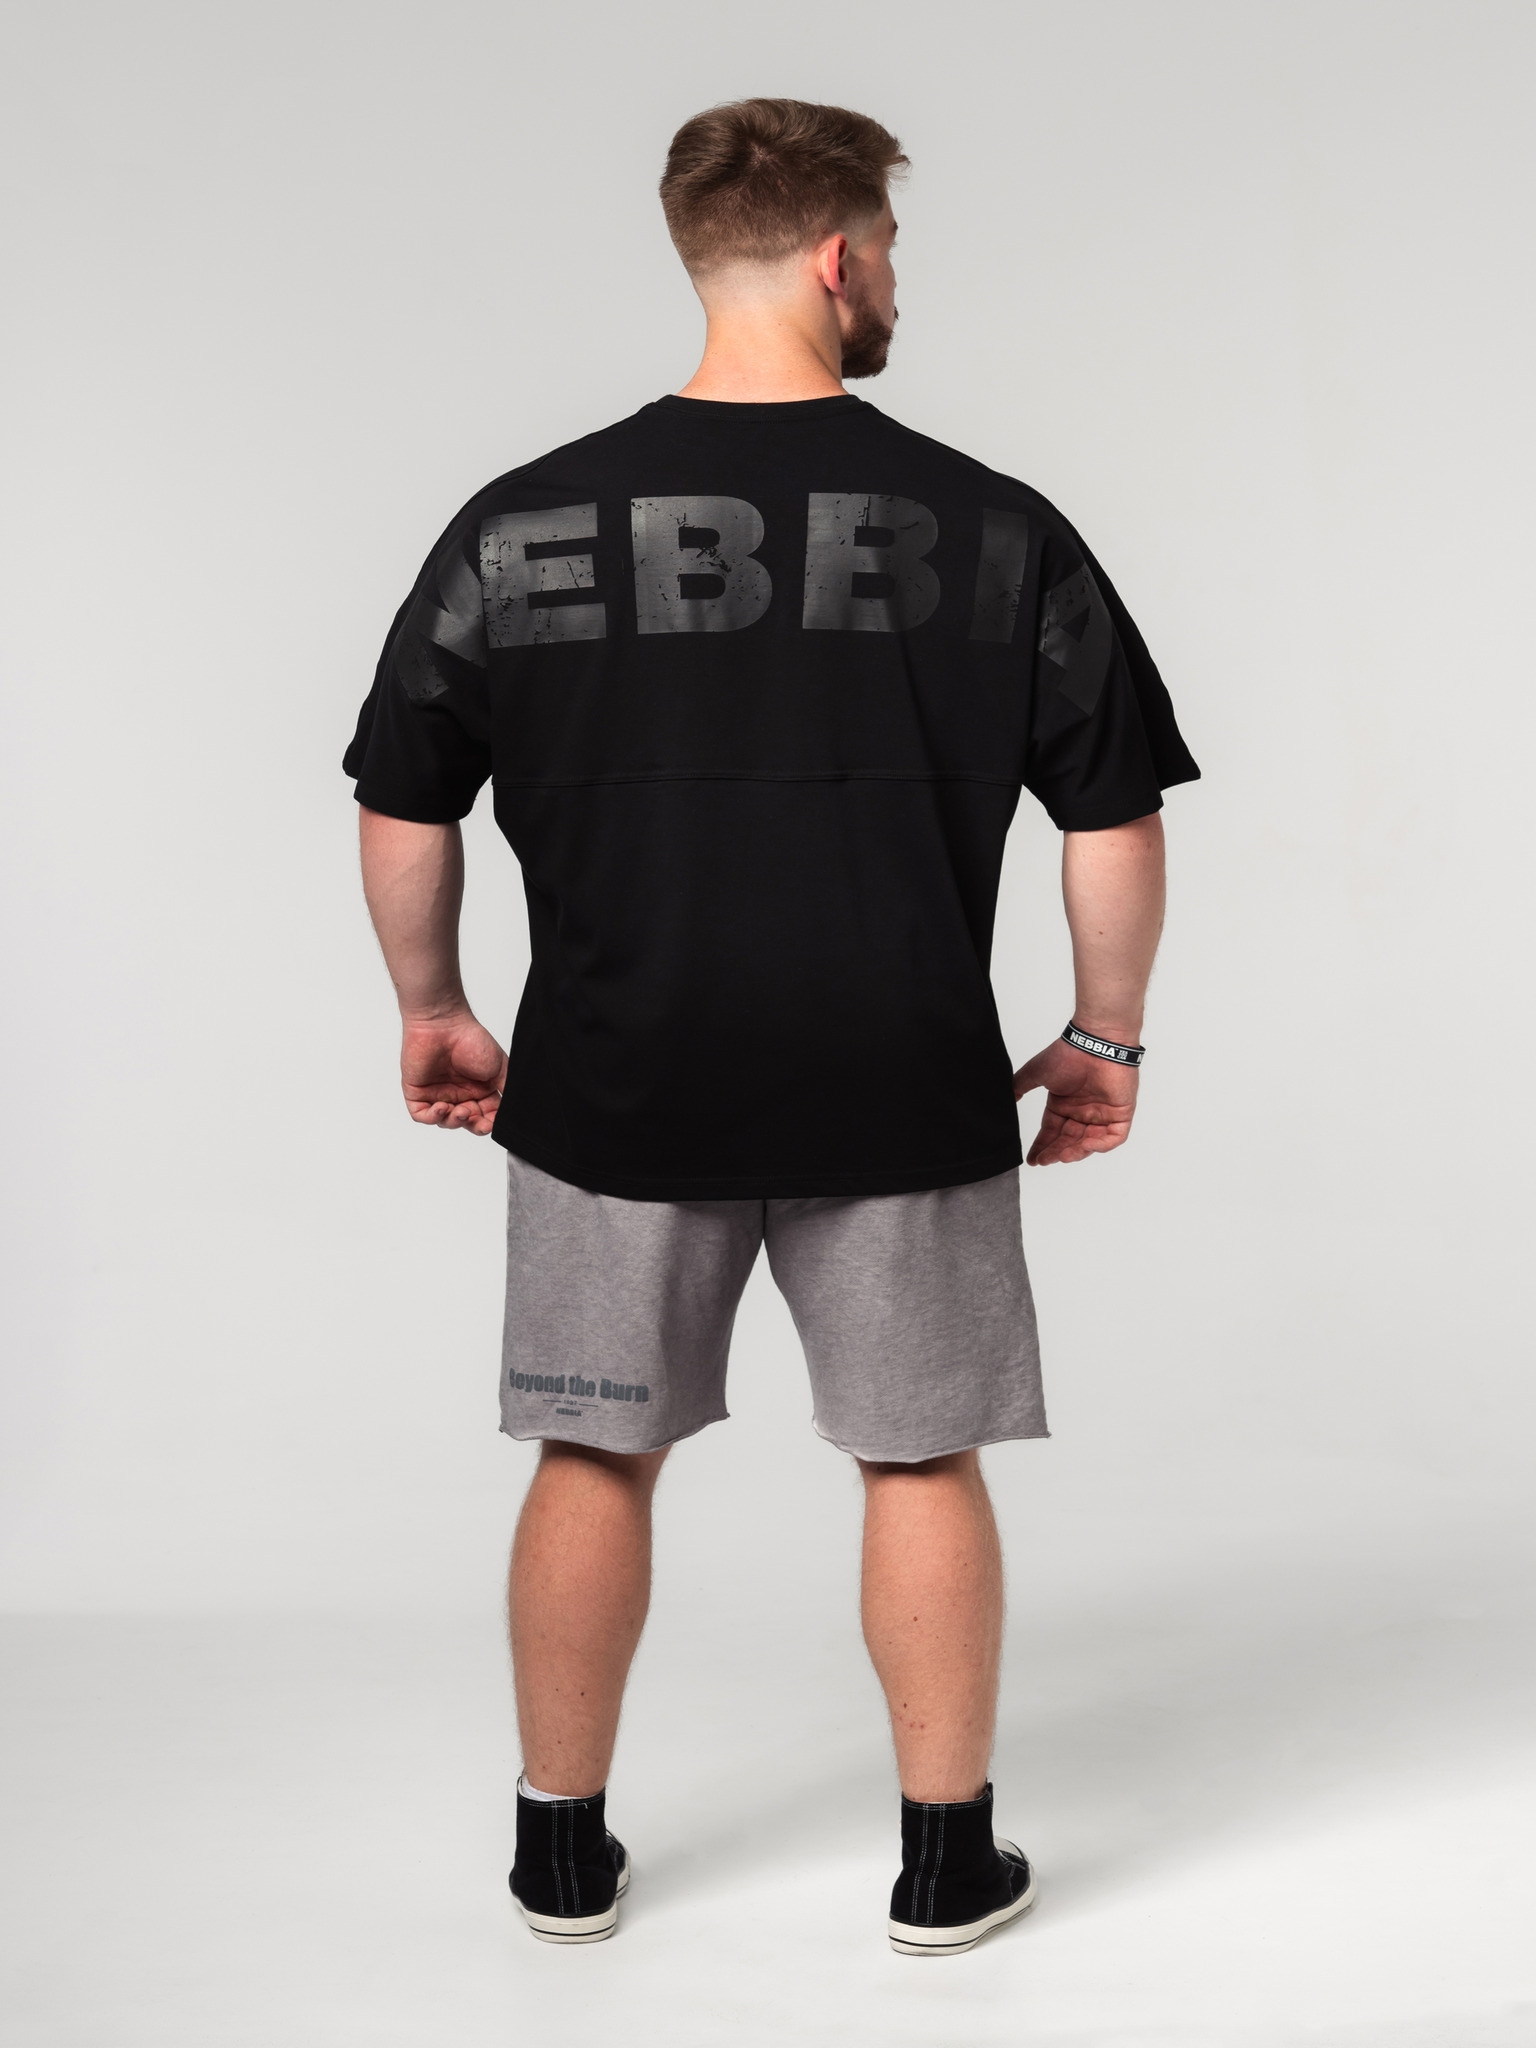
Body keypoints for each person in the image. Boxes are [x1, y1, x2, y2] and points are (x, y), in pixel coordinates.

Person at [344, 97, 1198, 1957]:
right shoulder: (997, 526)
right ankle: (946, 1866)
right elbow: (1113, 814)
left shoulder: (520, 523)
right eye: (888, 252)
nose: (893, 284)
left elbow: (404, 800)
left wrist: (434, 1006)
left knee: (595, 1455)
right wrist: (1105, 1037)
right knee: (919, 1458)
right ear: (836, 258)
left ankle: (560, 1858)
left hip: (613, 1084)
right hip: (900, 1079)